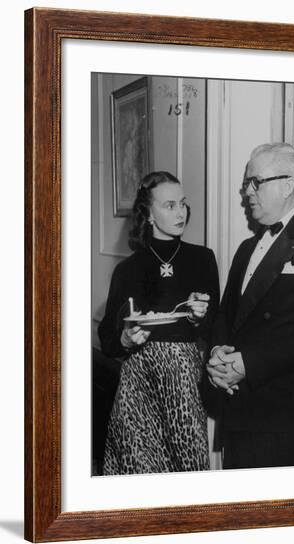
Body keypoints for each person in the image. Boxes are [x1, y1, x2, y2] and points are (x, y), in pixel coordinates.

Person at [202, 143, 294, 469]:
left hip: (288, 419)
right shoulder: (246, 248)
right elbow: (227, 314)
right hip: (239, 408)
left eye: (255, 182)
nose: (247, 193)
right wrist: (217, 355)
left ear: (287, 185)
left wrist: (247, 363)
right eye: (246, 184)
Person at [99, 171, 220, 475]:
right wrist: (126, 339)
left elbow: (216, 328)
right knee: (136, 476)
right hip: (138, 384)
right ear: (149, 213)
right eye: (169, 205)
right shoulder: (128, 269)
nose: (181, 212)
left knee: (187, 474)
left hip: (184, 382)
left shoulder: (203, 259)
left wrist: (198, 318)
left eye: (183, 204)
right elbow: (109, 340)